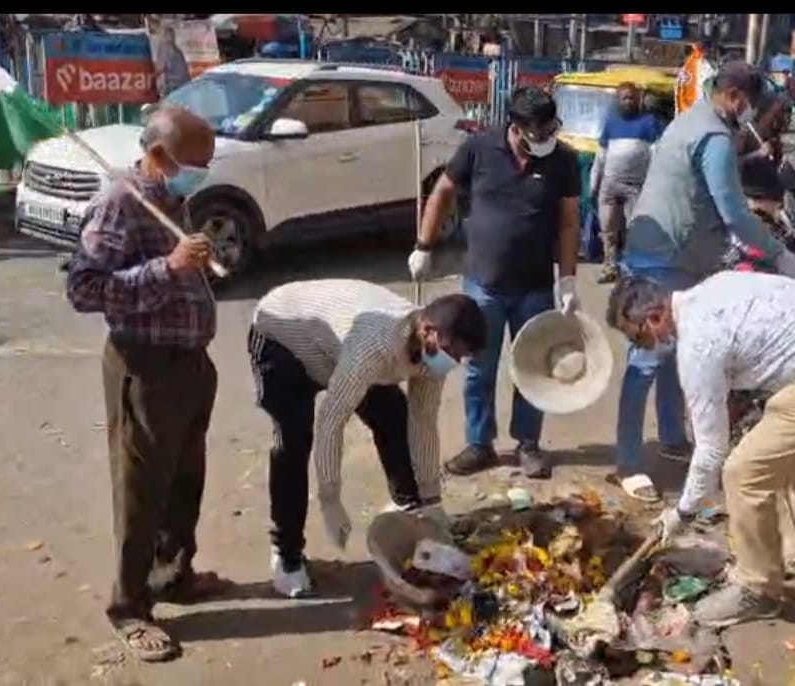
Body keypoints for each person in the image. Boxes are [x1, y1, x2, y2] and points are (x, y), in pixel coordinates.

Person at [607, 273, 795, 627]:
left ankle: (758, 590)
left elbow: (711, 451)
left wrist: (683, 513)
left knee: (743, 473)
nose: (645, 348)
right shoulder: (715, 285)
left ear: (655, 317)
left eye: (639, 338)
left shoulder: (697, 345)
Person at [65, 107, 225, 663]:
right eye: (195, 164)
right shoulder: (120, 201)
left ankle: (173, 575)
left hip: (189, 363)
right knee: (141, 491)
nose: (201, 173)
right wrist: (170, 269)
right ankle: (129, 607)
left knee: (186, 479)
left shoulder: (171, 198)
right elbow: (84, 289)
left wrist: (192, 263)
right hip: (146, 365)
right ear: (159, 156)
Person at [611, 62, 795, 503]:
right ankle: (627, 461)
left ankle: (671, 436)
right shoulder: (714, 137)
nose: (750, 114)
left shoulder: (692, 118)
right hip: (664, 257)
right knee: (647, 359)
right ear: (736, 97)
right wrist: (779, 253)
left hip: (674, 250)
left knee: (674, 351)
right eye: (750, 106)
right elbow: (733, 211)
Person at [247, 280, 486, 596]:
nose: (453, 362)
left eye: (461, 357)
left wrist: (432, 502)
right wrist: (330, 498)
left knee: (395, 418)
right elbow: (331, 420)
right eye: (452, 352)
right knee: (293, 440)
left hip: (336, 346)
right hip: (284, 337)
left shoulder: (432, 356)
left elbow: (423, 422)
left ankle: (411, 511)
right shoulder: (374, 347)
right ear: (429, 332)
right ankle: (286, 556)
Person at [411, 86, 581, 478]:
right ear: (516, 128)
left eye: (551, 129)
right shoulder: (479, 148)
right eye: (537, 133)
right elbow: (443, 192)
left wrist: (568, 279)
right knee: (478, 367)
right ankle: (479, 444)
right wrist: (424, 245)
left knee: (534, 368)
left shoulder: (564, 160)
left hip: (536, 285)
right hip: (483, 285)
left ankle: (528, 444)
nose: (545, 139)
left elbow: (570, 222)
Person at [591, 82, 665, 283]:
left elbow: (655, 154)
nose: (628, 101)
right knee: (608, 228)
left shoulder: (649, 123)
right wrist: (594, 183)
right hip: (610, 184)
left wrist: (654, 184)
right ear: (618, 100)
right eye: (624, 97)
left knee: (636, 229)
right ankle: (609, 267)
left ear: (638, 100)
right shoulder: (610, 122)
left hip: (636, 186)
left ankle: (632, 269)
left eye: (631, 97)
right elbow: (601, 155)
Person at [154, 26, 192, 97]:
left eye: (171, 35)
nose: (170, 37)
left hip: (173, 85)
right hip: (182, 85)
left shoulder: (164, 48)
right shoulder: (177, 51)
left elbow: (161, 68)